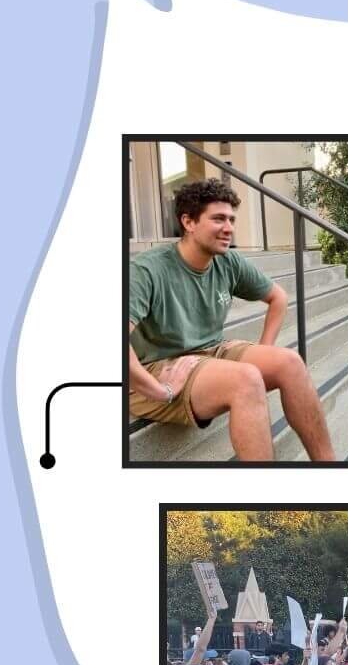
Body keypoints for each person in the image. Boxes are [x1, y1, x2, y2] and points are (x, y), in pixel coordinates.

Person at [125, 176, 334, 460]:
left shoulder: (227, 261)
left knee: (289, 362)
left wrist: (266, 347)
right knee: (245, 380)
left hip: (210, 350)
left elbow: (278, 298)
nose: (229, 229)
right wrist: (161, 391)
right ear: (188, 222)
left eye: (232, 220)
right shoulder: (146, 270)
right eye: (219, 219)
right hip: (156, 367)